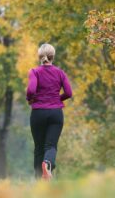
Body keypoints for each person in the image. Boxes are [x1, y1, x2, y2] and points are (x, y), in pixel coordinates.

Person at [26, 43, 72, 180]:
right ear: (53, 56)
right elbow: (69, 93)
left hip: (38, 113)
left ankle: (39, 180)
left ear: (40, 56)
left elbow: (31, 90)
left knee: (39, 147)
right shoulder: (60, 73)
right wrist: (58, 99)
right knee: (51, 146)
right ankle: (48, 164)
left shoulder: (35, 72)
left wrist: (30, 99)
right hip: (56, 113)